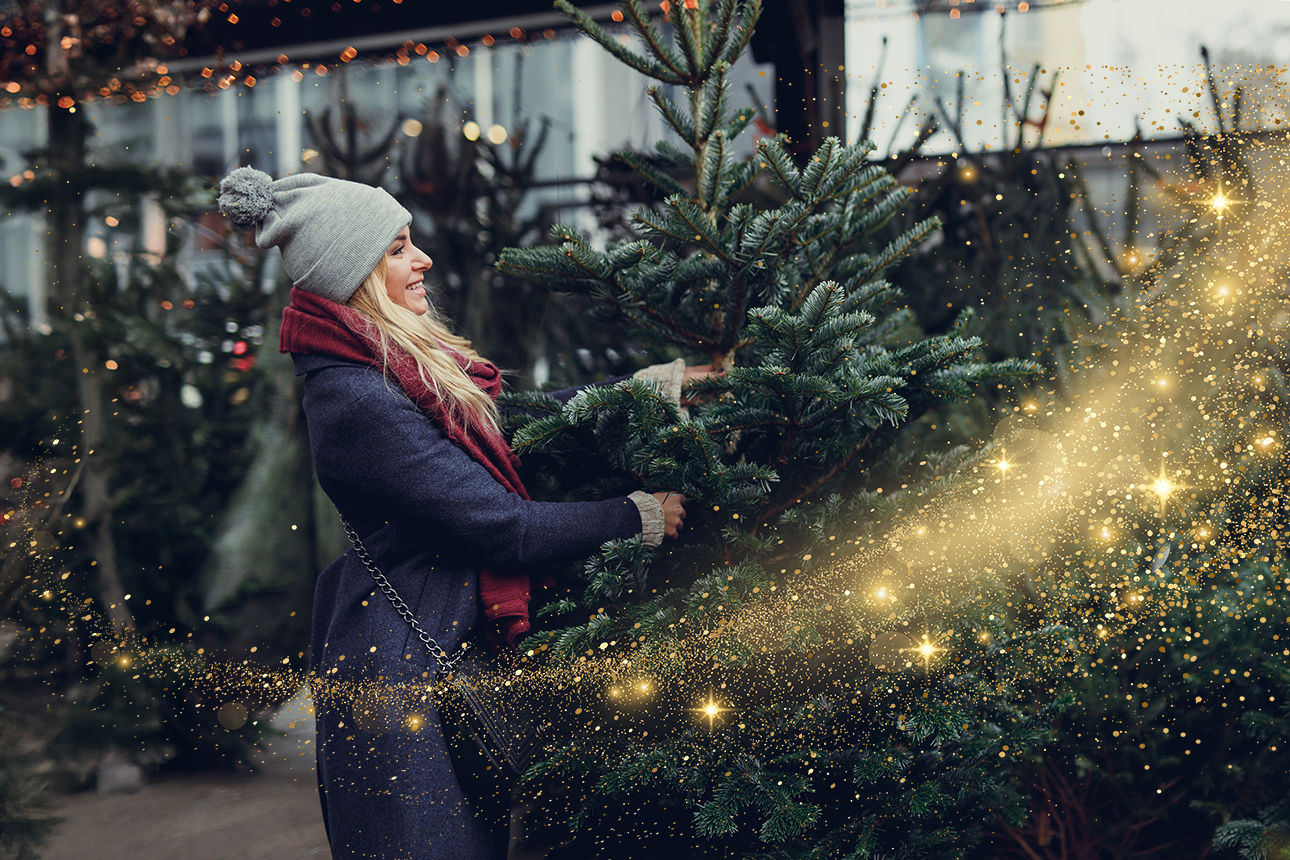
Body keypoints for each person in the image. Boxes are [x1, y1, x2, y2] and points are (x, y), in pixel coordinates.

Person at [217, 167, 695, 860]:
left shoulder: (396, 366)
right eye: (398, 248)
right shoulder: (354, 397)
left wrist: (650, 389)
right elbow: (504, 525)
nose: (423, 260)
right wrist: (637, 515)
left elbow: (511, 418)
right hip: (400, 671)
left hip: (432, 650)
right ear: (354, 271)